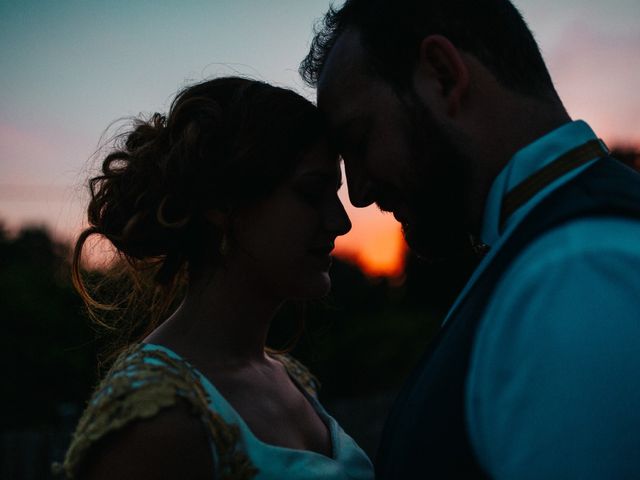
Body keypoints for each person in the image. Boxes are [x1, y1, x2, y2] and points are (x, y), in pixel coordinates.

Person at [300, 0, 640, 478]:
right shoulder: (542, 248)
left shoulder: (579, 274)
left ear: (442, 75)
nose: (357, 192)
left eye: (358, 140)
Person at [57, 77, 374, 479]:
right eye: (311, 193)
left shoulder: (289, 377)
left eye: (336, 194)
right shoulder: (155, 420)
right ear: (223, 204)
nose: (340, 222)